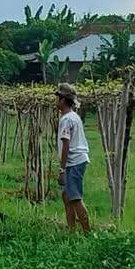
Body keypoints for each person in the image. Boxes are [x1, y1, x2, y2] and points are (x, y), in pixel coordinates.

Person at [55, 83, 91, 234]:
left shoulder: (66, 120)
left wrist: (62, 169)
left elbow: (66, 145)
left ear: (63, 100)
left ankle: (87, 232)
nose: (55, 101)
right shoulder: (73, 117)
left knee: (75, 197)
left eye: (57, 98)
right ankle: (71, 230)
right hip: (79, 159)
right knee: (67, 195)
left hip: (73, 161)